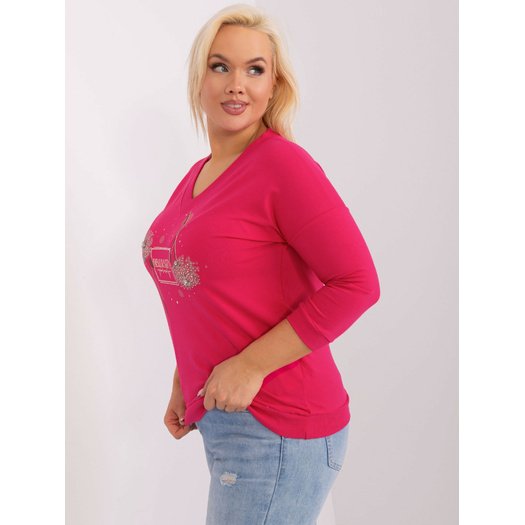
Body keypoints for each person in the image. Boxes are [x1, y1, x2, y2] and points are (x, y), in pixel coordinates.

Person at [141, 4, 380, 524]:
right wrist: (186, 375)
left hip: (278, 424)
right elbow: (211, 293)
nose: (237, 84)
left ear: (274, 86)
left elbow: (358, 282)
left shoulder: (282, 165)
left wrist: (249, 366)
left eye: (255, 70)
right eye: (220, 66)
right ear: (198, 79)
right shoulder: (199, 174)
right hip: (228, 418)